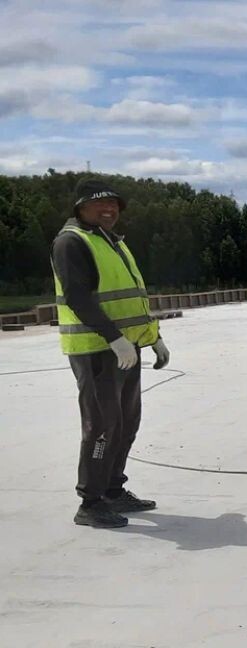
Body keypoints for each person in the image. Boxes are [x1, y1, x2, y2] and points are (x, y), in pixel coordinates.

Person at [51, 177, 170, 529]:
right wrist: (113, 338)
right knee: (102, 426)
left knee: (126, 422)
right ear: (80, 208)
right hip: (97, 350)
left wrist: (152, 338)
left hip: (125, 349)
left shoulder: (112, 242)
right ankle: (90, 501)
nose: (109, 210)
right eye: (100, 204)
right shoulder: (71, 242)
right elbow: (78, 296)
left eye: (115, 205)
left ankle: (113, 490)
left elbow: (131, 299)